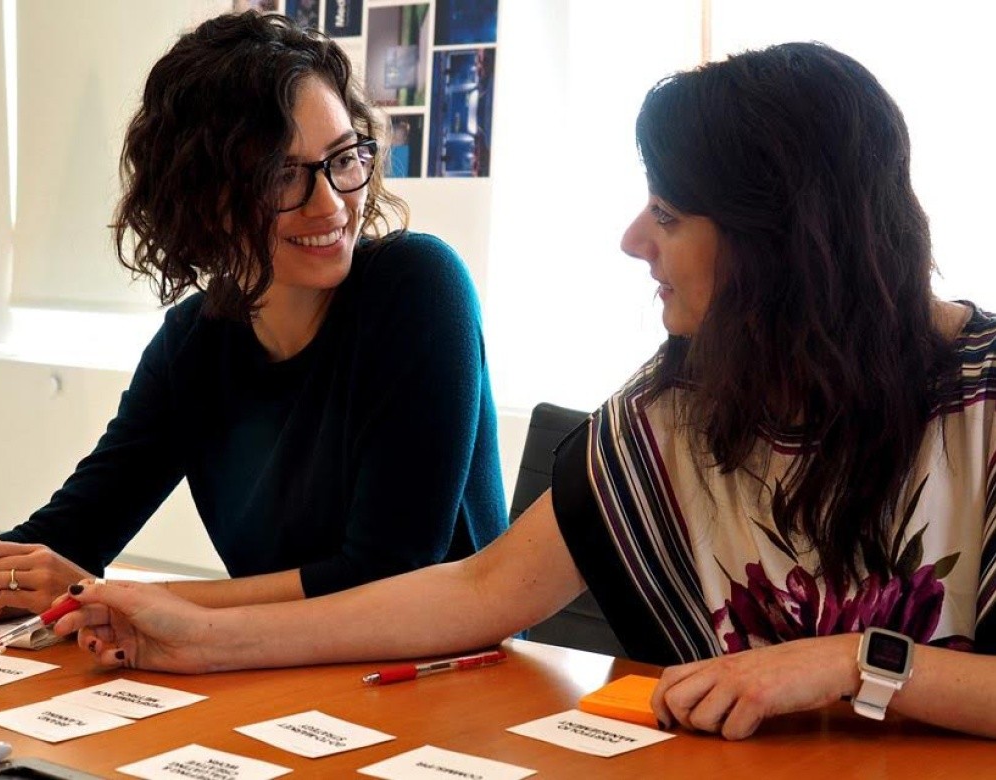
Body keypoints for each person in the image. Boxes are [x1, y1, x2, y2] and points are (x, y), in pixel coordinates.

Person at [54, 42, 996, 741]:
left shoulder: (983, 402)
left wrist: (851, 662)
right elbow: (475, 590)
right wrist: (197, 635)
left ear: (785, 242)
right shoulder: (672, 413)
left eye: (666, 214)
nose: (634, 241)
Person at [0, 12, 505, 655]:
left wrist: (119, 598)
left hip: (451, 684)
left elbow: (387, 572)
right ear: (203, 199)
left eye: (342, 157)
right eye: (281, 176)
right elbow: (55, 546)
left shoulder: (420, 287)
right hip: (283, 677)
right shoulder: (194, 345)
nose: (330, 202)